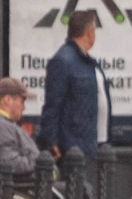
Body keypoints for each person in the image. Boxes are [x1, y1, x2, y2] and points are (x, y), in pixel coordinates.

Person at [39, 10, 108, 160]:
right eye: (94, 30)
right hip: (74, 148)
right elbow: (52, 105)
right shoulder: (63, 61)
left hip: (94, 144)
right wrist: (51, 142)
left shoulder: (88, 61)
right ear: (89, 32)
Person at [0, 76, 36, 180]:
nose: (24, 107)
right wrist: (40, 164)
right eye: (22, 101)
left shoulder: (7, 125)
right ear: (8, 100)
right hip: (22, 188)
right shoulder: (3, 127)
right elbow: (9, 162)